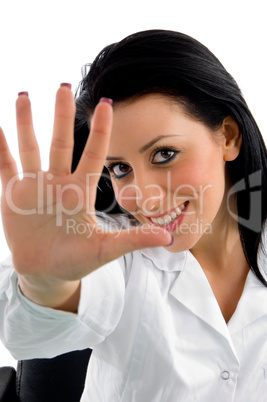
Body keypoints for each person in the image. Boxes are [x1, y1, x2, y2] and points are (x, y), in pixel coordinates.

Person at [0, 29, 266, 401]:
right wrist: (49, 284)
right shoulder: (115, 252)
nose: (146, 199)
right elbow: (33, 332)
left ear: (229, 136)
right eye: (120, 168)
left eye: (164, 154)